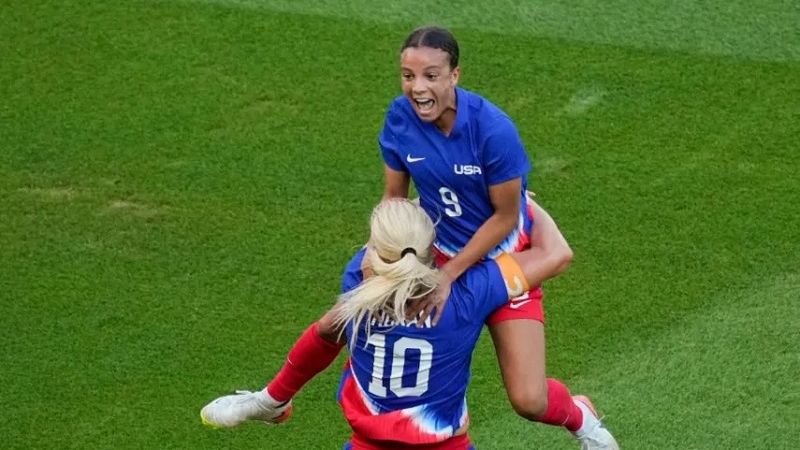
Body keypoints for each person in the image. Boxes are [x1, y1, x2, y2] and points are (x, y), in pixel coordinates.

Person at [201, 199, 615, 449]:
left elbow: (327, 332)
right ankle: (269, 403)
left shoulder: (357, 284)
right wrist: (520, 204)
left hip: (373, 444)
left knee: (330, 328)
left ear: (375, 256)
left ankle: (270, 402)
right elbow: (557, 253)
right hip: (436, 445)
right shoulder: (469, 292)